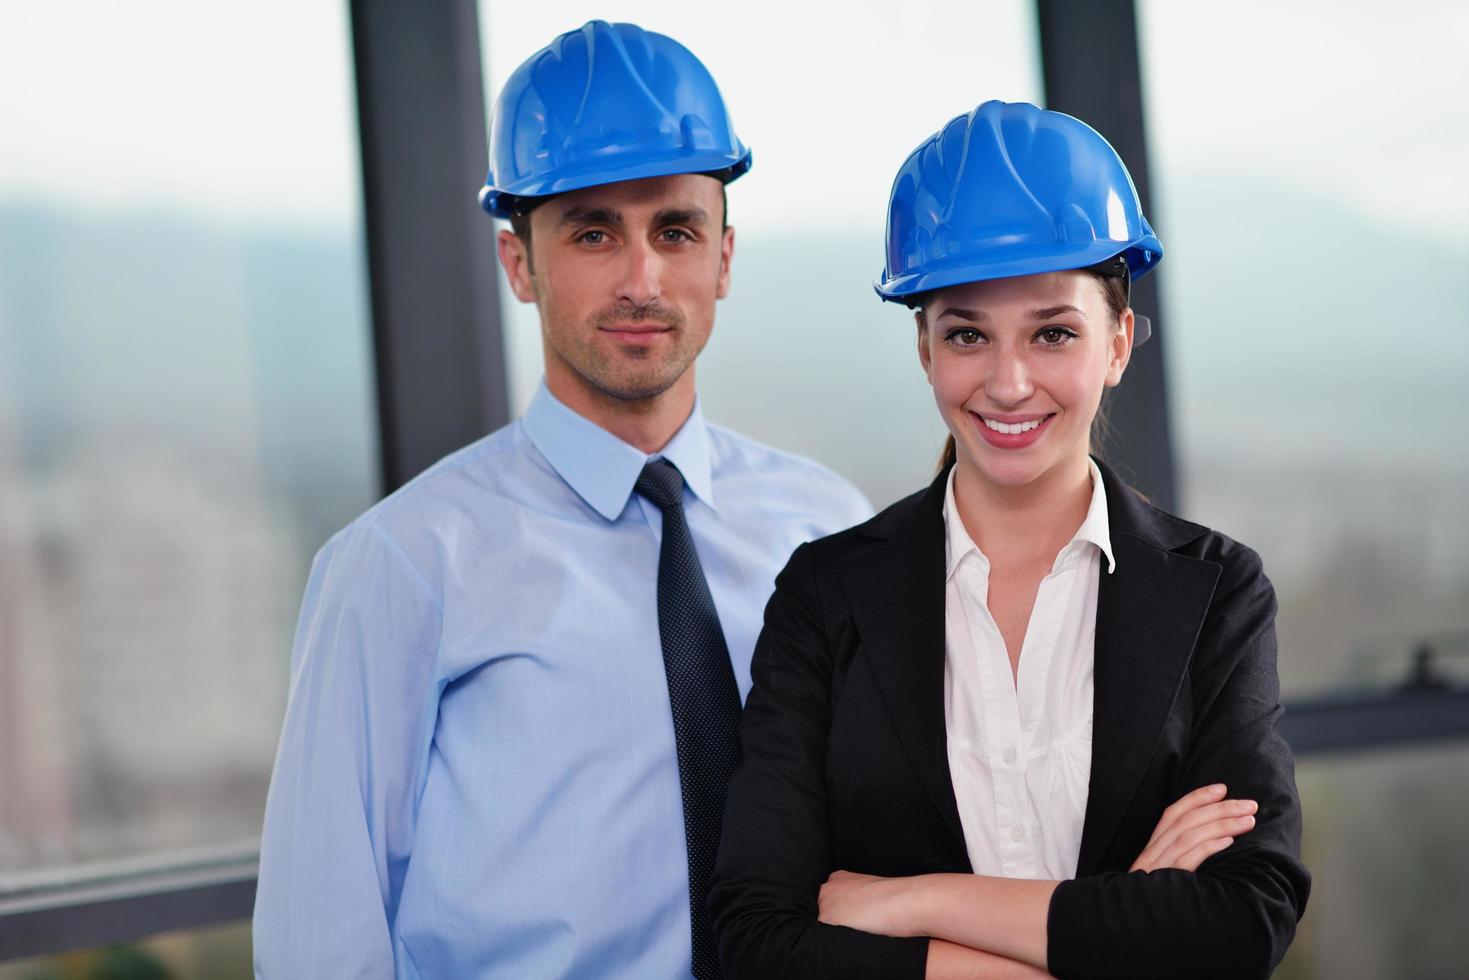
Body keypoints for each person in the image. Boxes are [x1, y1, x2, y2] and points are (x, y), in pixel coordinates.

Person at [253, 21, 869, 980]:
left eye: (675, 230)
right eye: (591, 232)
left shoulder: (825, 528)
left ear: (724, 258)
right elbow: (318, 944)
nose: (640, 279)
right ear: (519, 264)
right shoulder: (403, 563)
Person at [709, 100, 1310, 979]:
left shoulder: (1214, 591)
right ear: (924, 349)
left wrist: (912, 899)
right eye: (965, 334)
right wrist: (1114, 930)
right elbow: (760, 942)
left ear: (1118, 342)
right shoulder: (825, 594)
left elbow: (1240, 923)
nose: (1008, 381)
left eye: (1053, 332)